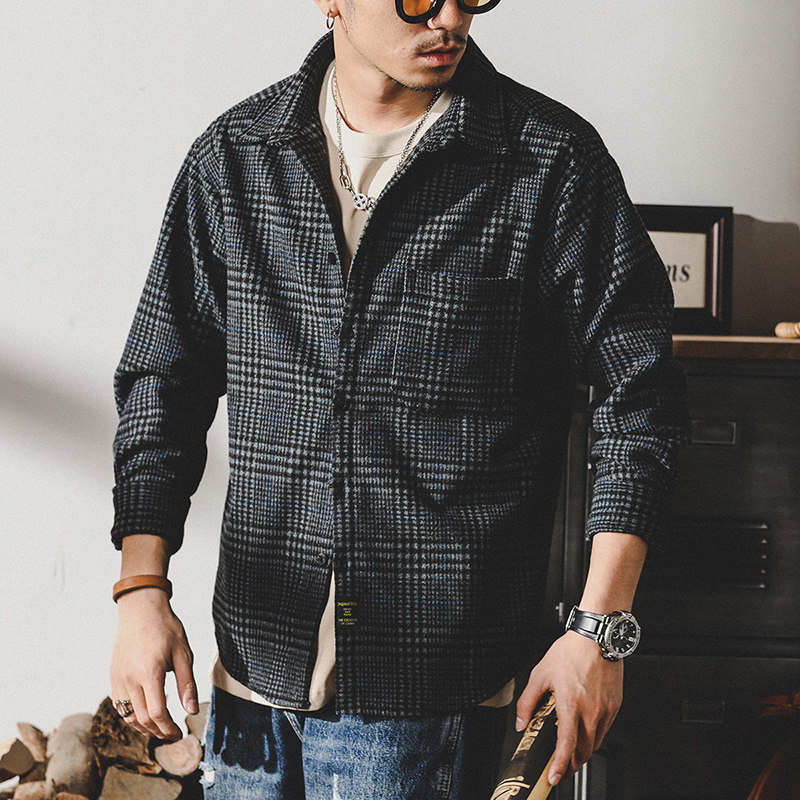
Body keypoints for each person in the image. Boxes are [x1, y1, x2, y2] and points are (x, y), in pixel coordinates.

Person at [109, 1, 687, 797]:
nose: (449, 18)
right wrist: (141, 588)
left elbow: (641, 396)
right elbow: (162, 381)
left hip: (430, 691)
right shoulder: (236, 158)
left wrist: (599, 629)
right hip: (253, 668)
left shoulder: (549, 162)